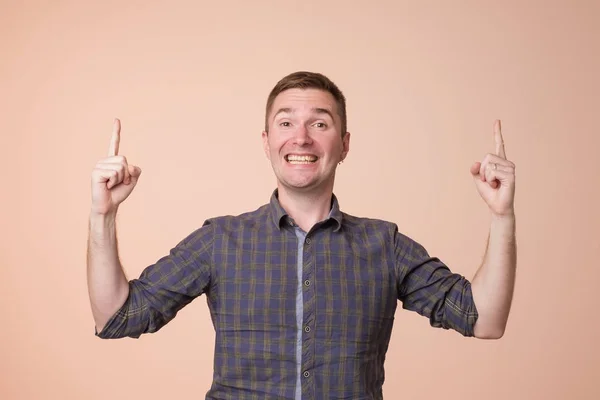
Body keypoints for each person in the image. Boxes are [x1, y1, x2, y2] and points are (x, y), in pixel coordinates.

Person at [87, 71, 517, 400]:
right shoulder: (221, 240)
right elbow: (118, 317)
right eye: (286, 123)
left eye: (320, 124)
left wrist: (502, 216)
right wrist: (102, 214)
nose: (301, 137)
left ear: (345, 144)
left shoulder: (383, 245)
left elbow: (483, 319)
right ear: (266, 139)